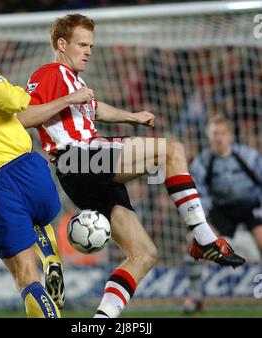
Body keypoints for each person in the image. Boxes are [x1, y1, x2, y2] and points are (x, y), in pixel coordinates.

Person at [18, 14, 245, 319]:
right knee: (171, 150)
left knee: (144, 254)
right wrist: (70, 98)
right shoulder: (49, 73)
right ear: (61, 44)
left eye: (91, 46)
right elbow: (24, 116)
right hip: (78, 158)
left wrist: (132, 116)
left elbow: (95, 109)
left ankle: (102, 321)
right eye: (82, 44)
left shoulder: (74, 79)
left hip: (86, 172)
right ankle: (203, 237)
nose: (88, 51)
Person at [0, 39, 77, 317]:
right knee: (37, 217)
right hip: (29, 169)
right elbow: (18, 102)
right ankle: (50, 256)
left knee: (25, 276)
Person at [183, 114, 262, 314]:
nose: (219, 138)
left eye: (222, 133)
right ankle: (195, 297)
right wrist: (205, 223)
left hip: (250, 205)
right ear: (208, 137)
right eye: (214, 133)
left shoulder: (248, 156)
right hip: (220, 209)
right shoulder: (203, 162)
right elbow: (199, 194)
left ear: (230, 136)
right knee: (195, 240)